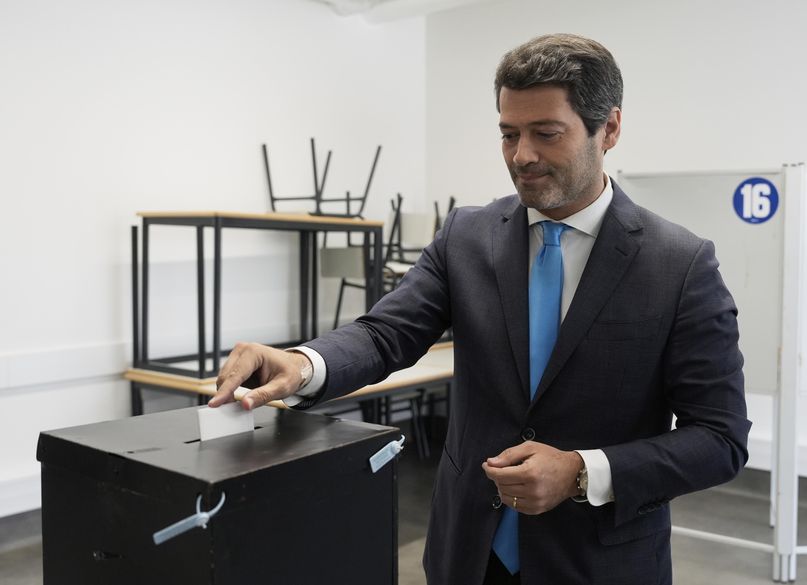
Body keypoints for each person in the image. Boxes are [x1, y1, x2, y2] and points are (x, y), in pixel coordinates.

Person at [210, 33, 750, 585]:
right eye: (509, 134)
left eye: (546, 134)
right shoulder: (467, 237)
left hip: (597, 562)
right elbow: (385, 334)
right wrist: (303, 363)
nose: (522, 156)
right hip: (467, 552)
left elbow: (720, 438)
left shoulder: (680, 265)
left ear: (608, 129)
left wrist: (582, 472)